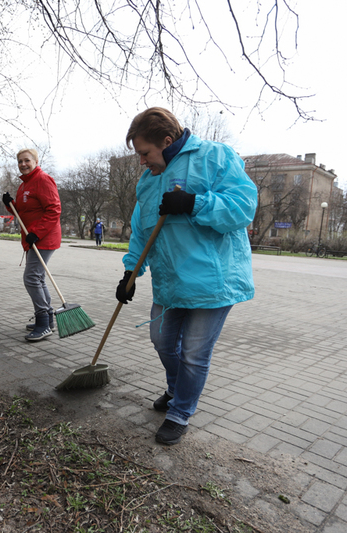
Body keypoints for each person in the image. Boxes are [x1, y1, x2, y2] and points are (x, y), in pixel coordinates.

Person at [116, 107, 257, 446]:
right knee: (162, 341)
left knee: (194, 353)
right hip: (170, 281)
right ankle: (177, 388)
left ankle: (180, 412)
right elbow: (141, 231)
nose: (142, 161)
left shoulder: (215, 157)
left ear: (166, 140)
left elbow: (243, 207)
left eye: (145, 153)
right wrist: (130, 272)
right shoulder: (148, 182)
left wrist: (194, 203)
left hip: (213, 283)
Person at [2, 148, 62, 342]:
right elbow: (25, 211)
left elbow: (54, 209)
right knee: (39, 278)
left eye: (26, 160)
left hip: (43, 237)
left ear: (36, 161)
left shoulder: (43, 180)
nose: (23, 164)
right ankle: (46, 320)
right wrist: (10, 204)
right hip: (33, 237)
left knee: (31, 278)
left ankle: (44, 323)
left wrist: (37, 231)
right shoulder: (24, 185)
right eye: (20, 161)